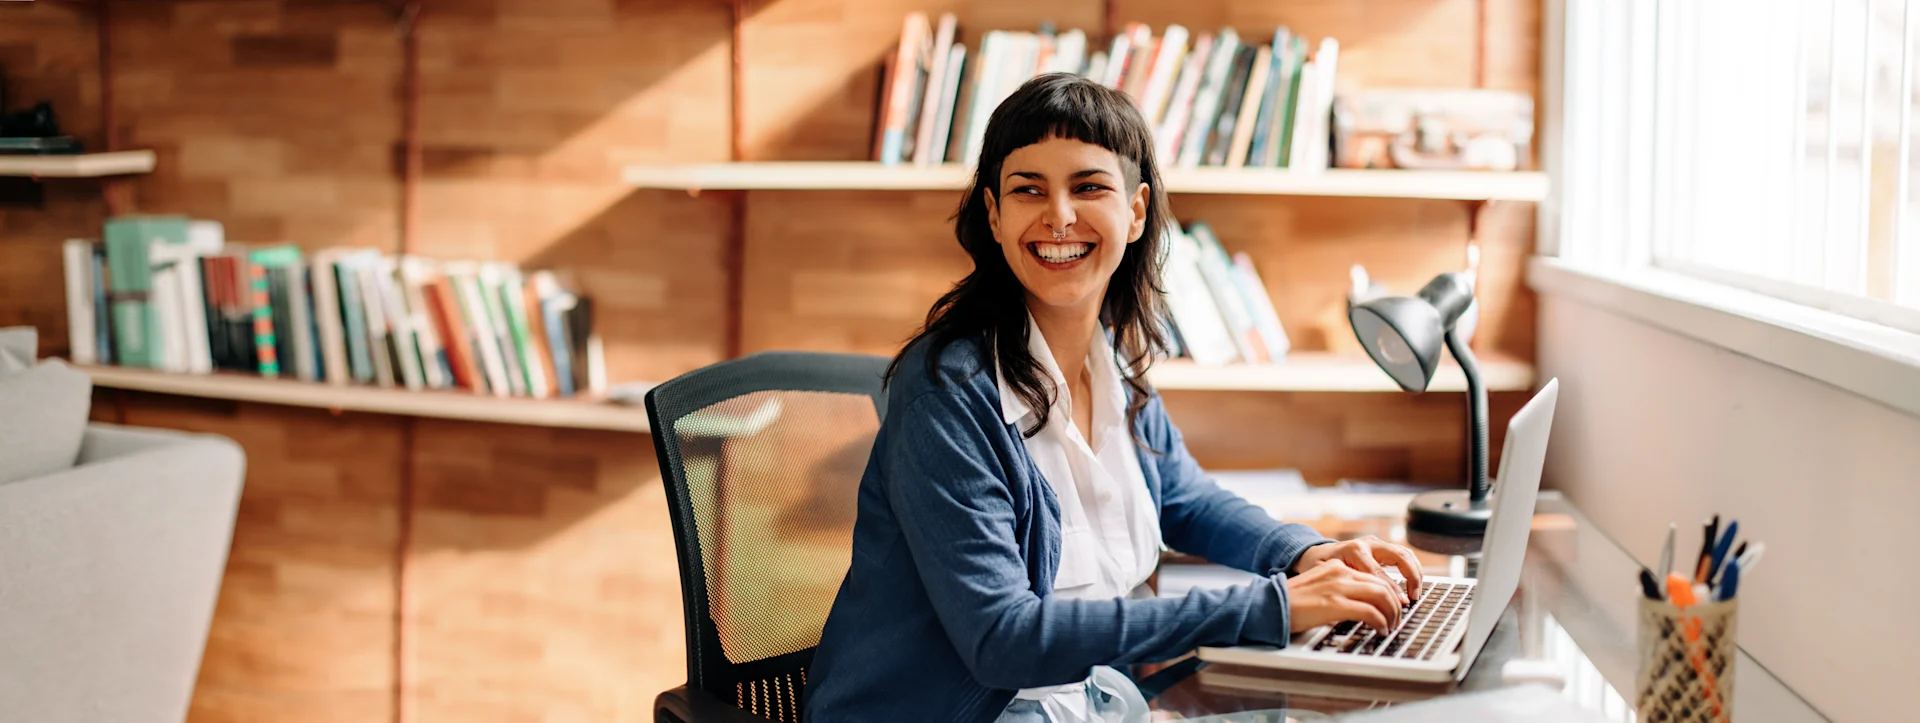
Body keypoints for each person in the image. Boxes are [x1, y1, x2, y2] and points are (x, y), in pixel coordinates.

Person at [803, 73, 1424, 723]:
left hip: (1081, 700)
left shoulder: (1112, 359)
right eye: (1028, 190)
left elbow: (1184, 497)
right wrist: (1275, 606)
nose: (1060, 215)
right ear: (993, 214)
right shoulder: (948, 394)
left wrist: (1302, 552)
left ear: (1135, 211)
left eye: (1089, 185)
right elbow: (1002, 639)